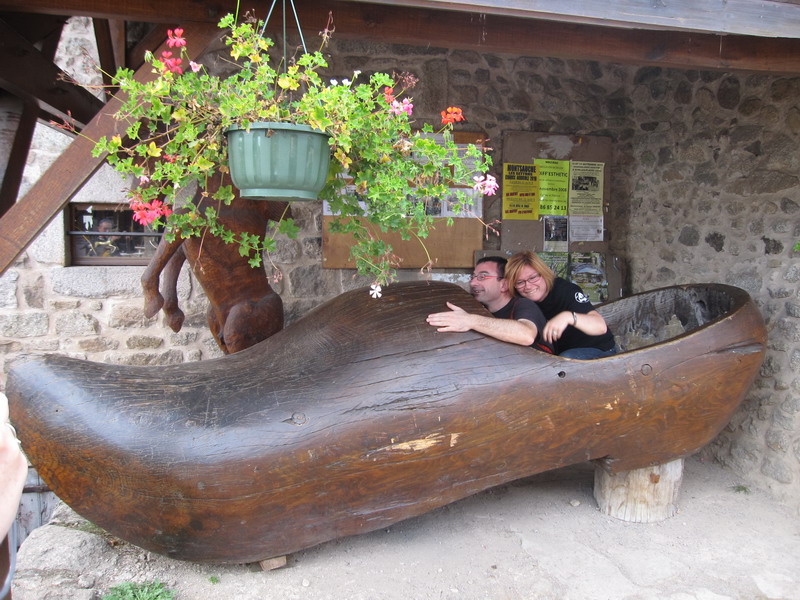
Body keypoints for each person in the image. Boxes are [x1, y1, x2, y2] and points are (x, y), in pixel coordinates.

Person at [426, 256, 553, 353]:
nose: (473, 283)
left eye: (482, 277)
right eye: (473, 277)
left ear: (504, 284)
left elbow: (526, 335)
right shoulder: (475, 306)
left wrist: (471, 321)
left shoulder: (523, 305)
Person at [505, 251, 616, 359]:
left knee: (565, 359)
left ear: (544, 273)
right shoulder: (519, 300)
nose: (528, 286)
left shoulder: (564, 290)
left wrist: (568, 317)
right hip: (558, 354)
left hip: (598, 350)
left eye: (533, 278)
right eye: (520, 282)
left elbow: (600, 327)